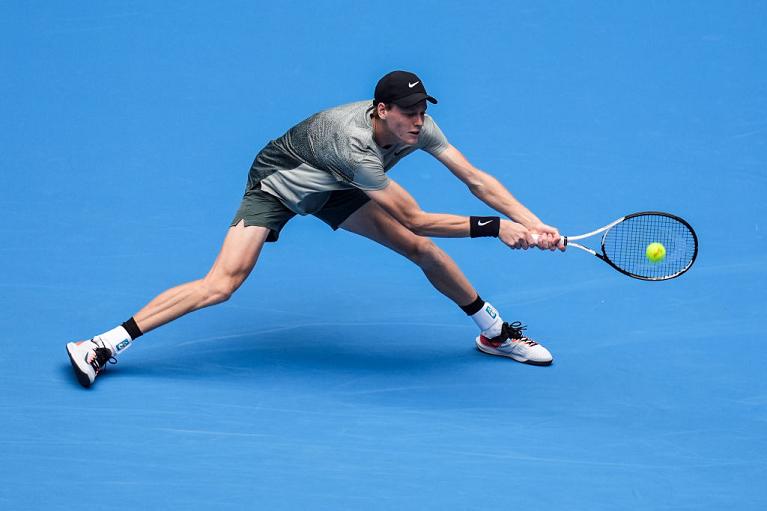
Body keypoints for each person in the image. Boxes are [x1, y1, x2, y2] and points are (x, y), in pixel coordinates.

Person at [66, 70, 563, 388]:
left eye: (423, 110)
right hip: (280, 181)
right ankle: (104, 344)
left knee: (420, 250)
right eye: (409, 113)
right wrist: (494, 228)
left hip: (337, 184)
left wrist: (533, 224)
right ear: (381, 110)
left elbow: (475, 178)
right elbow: (413, 214)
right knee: (222, 285)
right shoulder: (350, 143)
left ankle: (494, 334)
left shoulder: (419, 126)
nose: (418, 121)